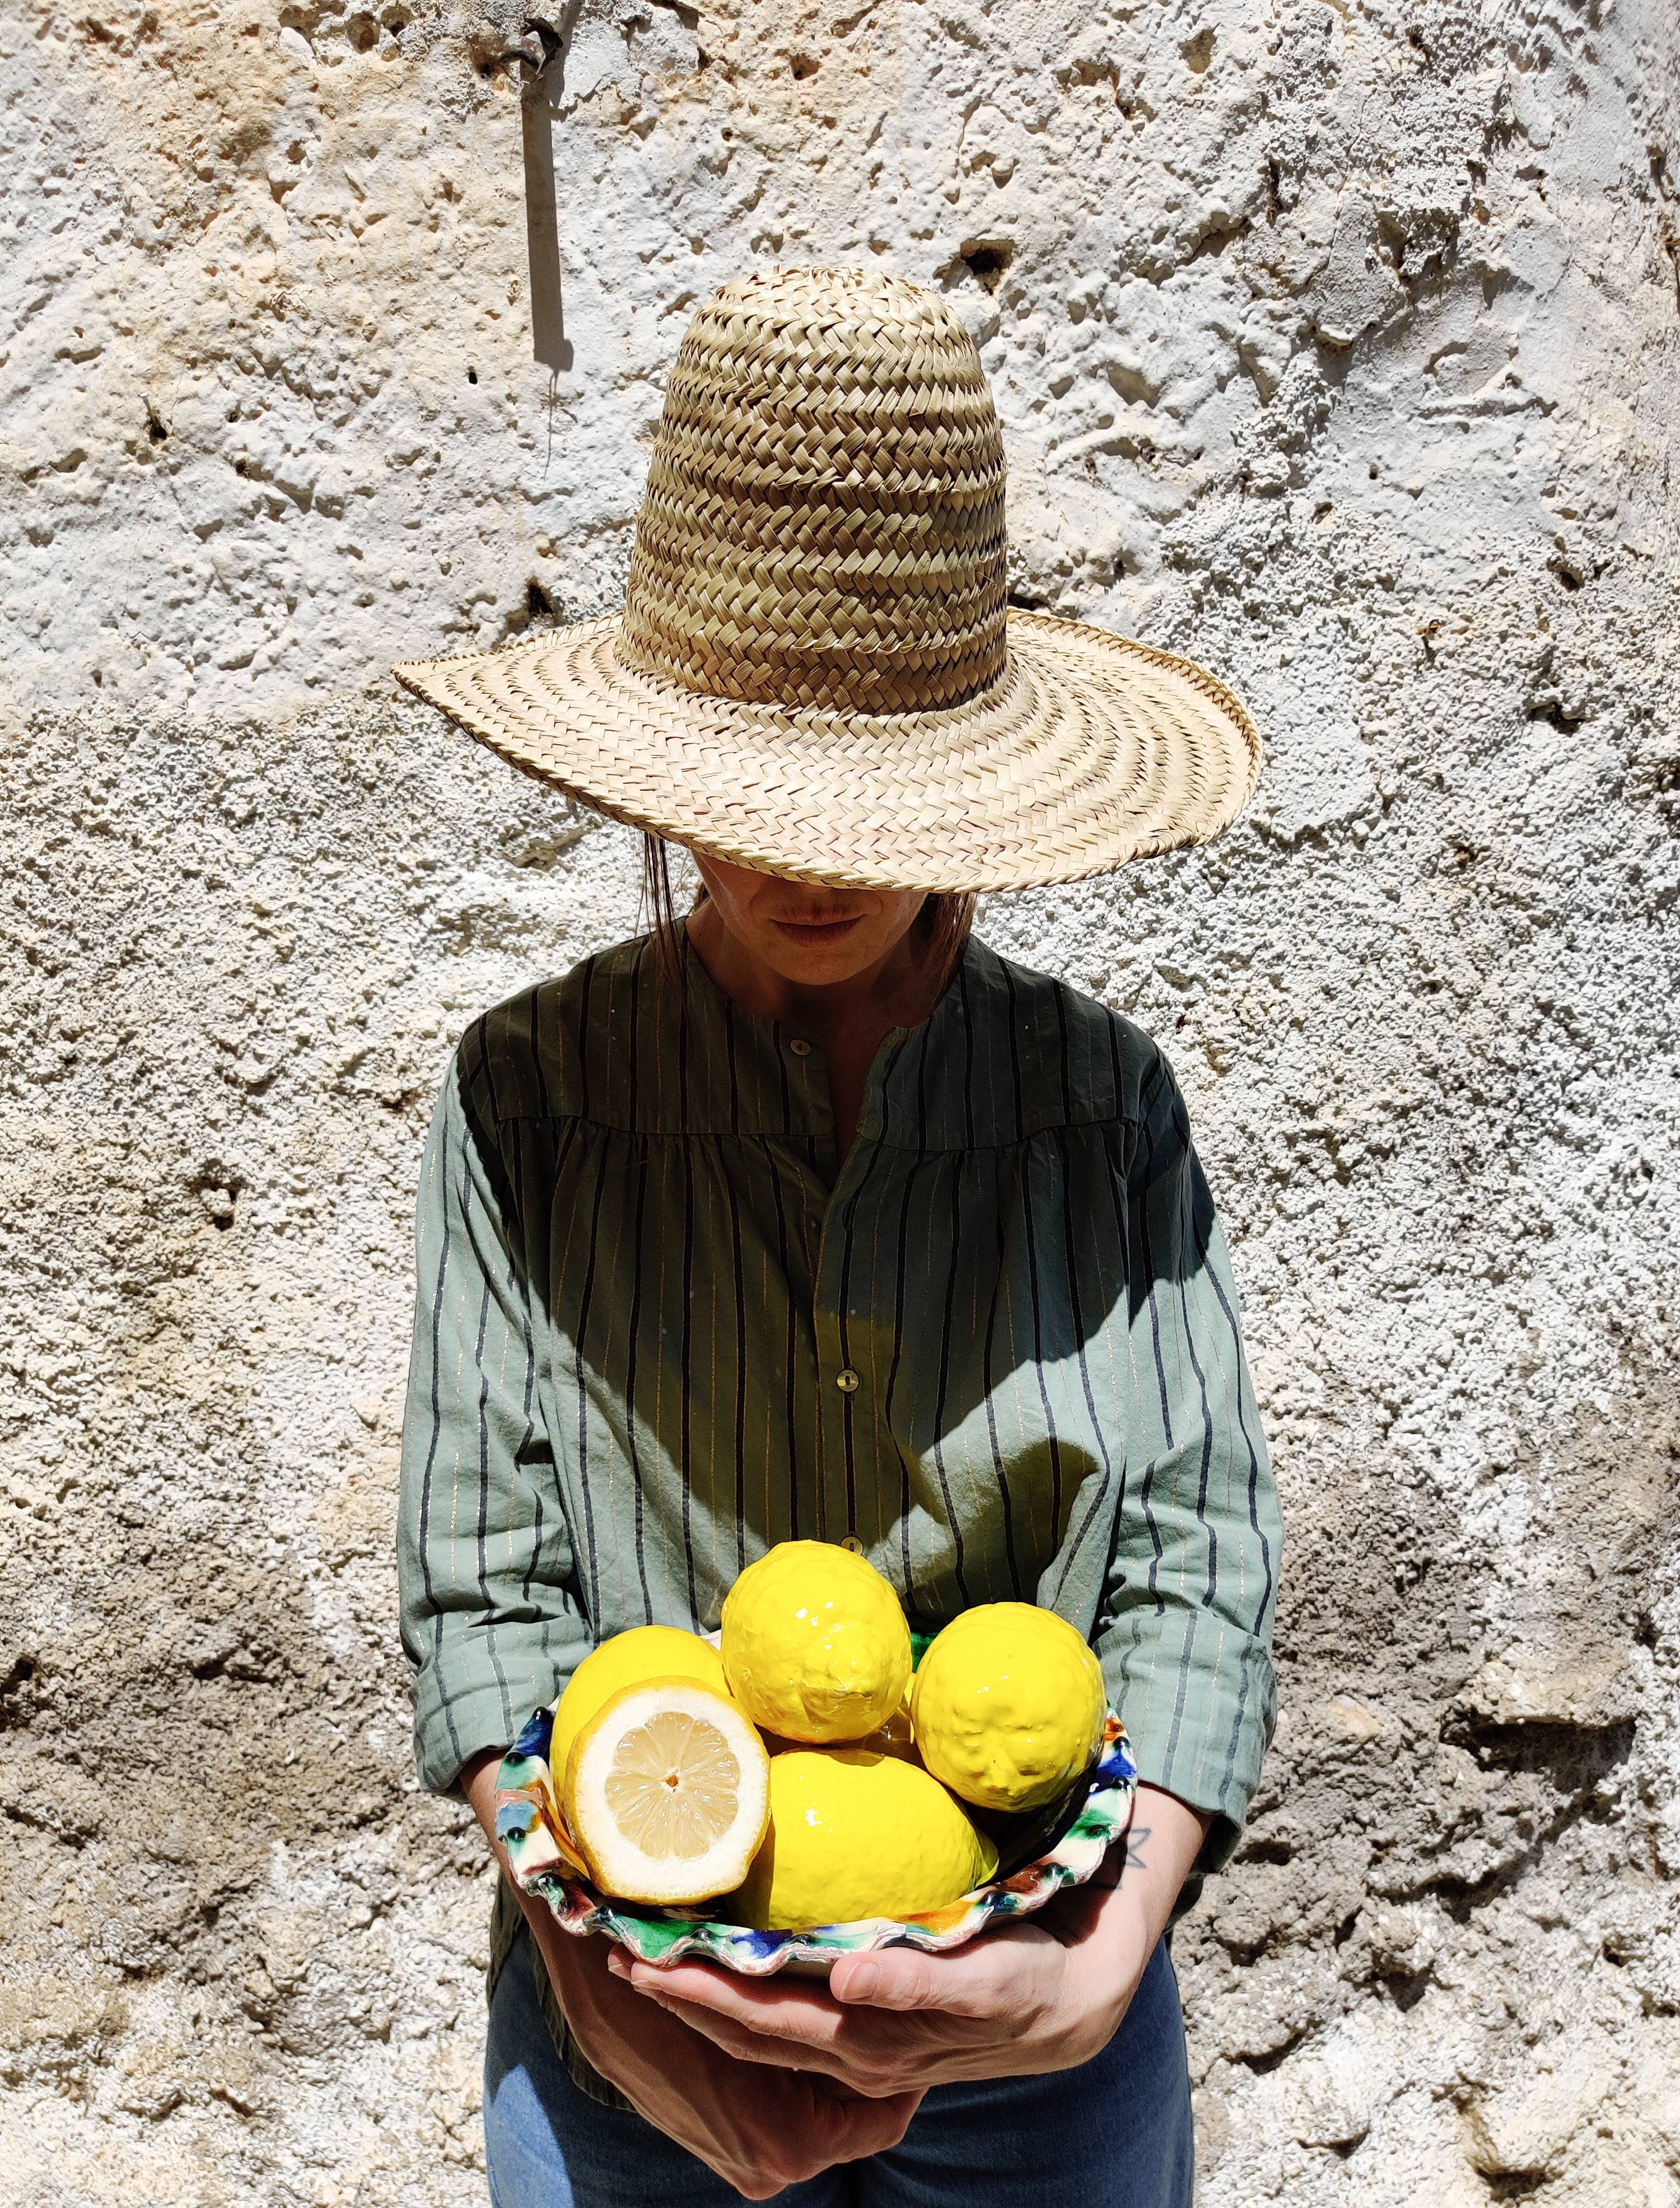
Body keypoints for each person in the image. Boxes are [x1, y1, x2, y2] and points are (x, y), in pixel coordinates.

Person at [394, 265, 1281, 2208]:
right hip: (629, 2029)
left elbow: (1205, 1559)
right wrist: (604, 2002)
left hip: (1042, 2042)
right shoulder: (528, 1098)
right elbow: (479, 1585)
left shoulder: (1099, 1107)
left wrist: (1106, 1963)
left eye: (869, 801)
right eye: (752, 799)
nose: (804, 867)